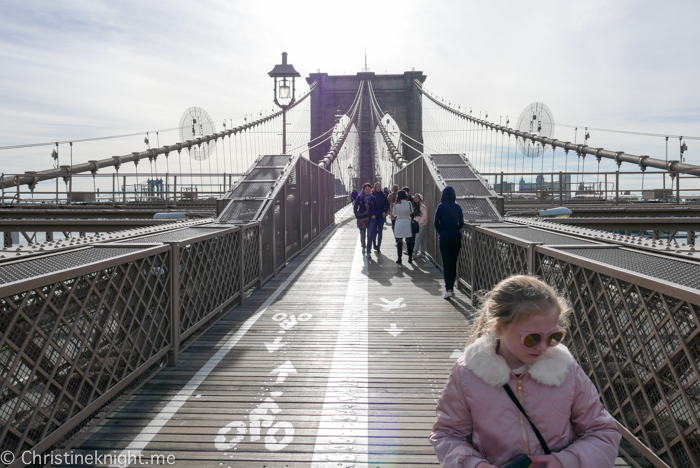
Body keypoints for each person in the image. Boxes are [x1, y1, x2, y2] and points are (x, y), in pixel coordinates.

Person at [430, 275, 621, 468]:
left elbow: (602, 431)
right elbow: (449, 434)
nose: (543, 347)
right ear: (498, 327)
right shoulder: (467, 374)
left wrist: (564, 461)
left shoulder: (567, 370)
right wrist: (474, 464)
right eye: (532, 338)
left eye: (554, 336)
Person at [434, 186, 464, 299]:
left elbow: (435, 223)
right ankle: (452, 286)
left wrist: (441, 231)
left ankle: (449, 289)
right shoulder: (457, 207)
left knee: (447, 264)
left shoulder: (440, 207)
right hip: (456, 237)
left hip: (444, 238)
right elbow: (461, 223)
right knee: (453, 262)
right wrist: (455, 229)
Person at [353, 183, 377, 258]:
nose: (368, 191)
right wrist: (356, 214)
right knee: (362, 235)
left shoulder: (373, 198)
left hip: (370, 219)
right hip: (362, 218)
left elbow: (377, 207)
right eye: (366, 189)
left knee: (369, 235)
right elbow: (355, 206)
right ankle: (363, 246)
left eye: (369, 189)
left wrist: (375, 214)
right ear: (363, 190)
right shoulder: (359, 197)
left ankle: (369, 251)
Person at [392, 190, 415, 265]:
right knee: (408, 240)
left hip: (399, 223)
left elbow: (394, 214)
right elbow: (411, 212)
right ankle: (410, 258)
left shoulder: (396, 205)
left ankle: (399, 258)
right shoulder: (409, 203)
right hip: (407, 222)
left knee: (399, 241)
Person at [370, 182, 389, 253]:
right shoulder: (371, 195)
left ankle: (379, 246)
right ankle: (374, 244)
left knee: (380, 231)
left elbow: (387, 205)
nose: (378, 188)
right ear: (374, 188)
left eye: (379, 187)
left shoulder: (383, 195)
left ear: (380, 187)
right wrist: (371, 214)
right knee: (374, 232)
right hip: (374, 216)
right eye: (376, 187)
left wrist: (385, 212)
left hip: (381, 216)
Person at [412, 193, 428, 259]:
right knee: (421, 239)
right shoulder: (415, 206)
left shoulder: (422, 207)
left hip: (422, 225)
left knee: (418, 238)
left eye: (417, 197)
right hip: (417, 224)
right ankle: (422, 252)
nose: (416, 199)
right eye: (415, 197)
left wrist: (419, 223)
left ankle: (414, 252)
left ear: (420, 199)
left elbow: (425, 216)